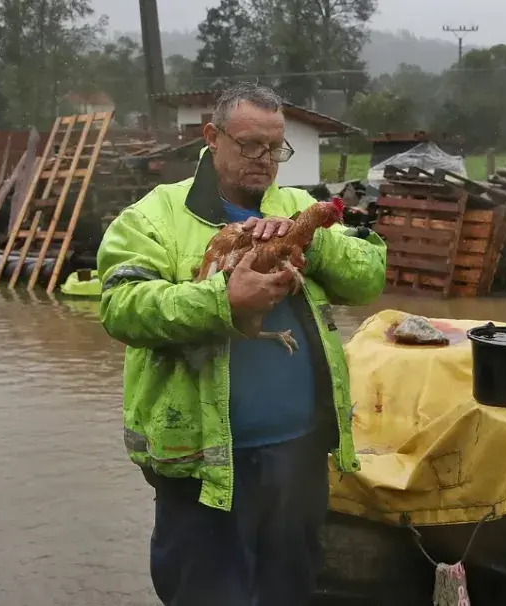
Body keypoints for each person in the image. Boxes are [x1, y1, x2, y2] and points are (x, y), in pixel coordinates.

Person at [97, 82, 387, 606]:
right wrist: (222, 301)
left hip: (298, 459)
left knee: (290, 591)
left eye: (276, 148)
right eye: (250, 145)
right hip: (205, 467)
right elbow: (121, 307)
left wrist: (308, 236)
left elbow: (368, 277)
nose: (265, 159)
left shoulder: (299, 205)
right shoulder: (153, 217)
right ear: (212, 137)